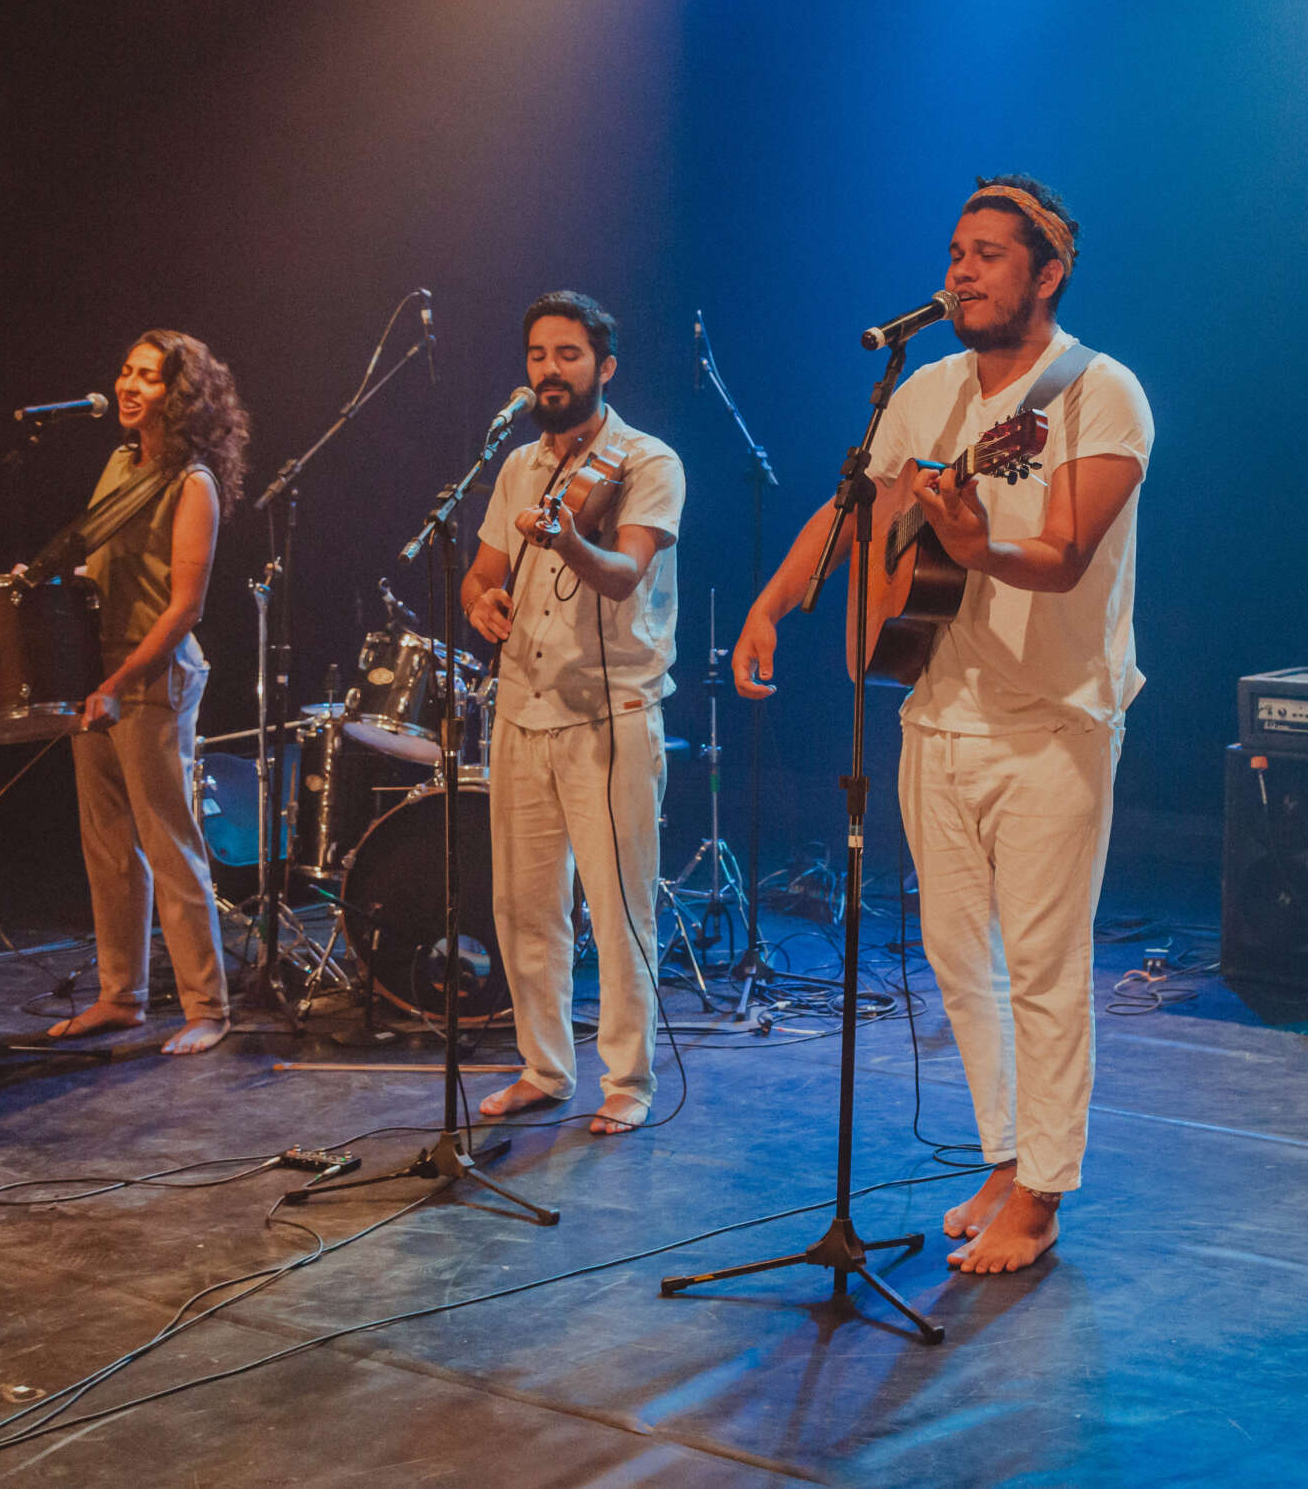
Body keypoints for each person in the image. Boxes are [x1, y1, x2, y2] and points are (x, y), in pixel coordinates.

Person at [732, 175, 1154, 1275]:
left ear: (1046, 274)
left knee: (1046, 965)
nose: (960, 271)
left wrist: (976, 549)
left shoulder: (1098, 395)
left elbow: (1061, 555)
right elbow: (855, 507)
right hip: (938, 715)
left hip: (1054, 723)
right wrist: (775, 602)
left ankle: (1046, 1195)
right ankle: (1006, 1155)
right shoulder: (921, 393)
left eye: (988, 254)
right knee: (955, 956)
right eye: (955, 251)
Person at [462, 291, 684, 1134]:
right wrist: (482, 601)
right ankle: (544, 1066)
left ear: (605, 366)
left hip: (610, 714)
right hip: (520, 708)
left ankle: (627, 1082)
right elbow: (481, 572)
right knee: (523, 906)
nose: (549, 370)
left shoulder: (648, 460)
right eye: (537, 355)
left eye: (567, 354)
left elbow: (625, 574)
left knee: (620, 905)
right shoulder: (518, 464)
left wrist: (565, 542)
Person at [49, 330, 249, 1056]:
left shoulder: (189, 481)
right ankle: (120, 996)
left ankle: (208, 1006)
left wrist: (118, 682)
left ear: (181, 393)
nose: (129, 386)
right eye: (125, 370)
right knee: (106, 842)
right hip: (96, 672)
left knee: (168, 839)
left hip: (151, 674)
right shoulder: (118, 462)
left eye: (148, 377)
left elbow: (183, 607)